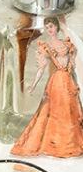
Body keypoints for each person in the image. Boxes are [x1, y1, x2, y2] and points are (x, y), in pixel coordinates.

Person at [11, 16, 83, 157]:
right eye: (47, 27)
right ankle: (55, 142)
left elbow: (74, 63)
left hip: (68, 81)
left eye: (51, 26)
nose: (49, 29)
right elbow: (41, 68)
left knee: (69, 110)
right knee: (55, 110)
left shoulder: (67, 44)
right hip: (57, 82)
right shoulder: (46, 46)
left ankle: (70, 141)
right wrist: (33, 85)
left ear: (56, 27)